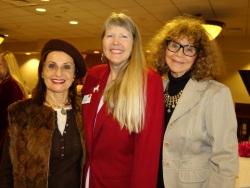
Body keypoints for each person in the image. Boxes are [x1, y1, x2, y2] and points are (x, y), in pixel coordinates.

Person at [147, 14, 239, 188]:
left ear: (199, 56)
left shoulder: (216, 94)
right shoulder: (155, 87)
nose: (179, 54)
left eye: (189, 49)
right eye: (174, 45)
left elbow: (225, 159)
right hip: (154, 180)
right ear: (164, 48)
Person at [82, 12, 164, 188]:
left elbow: (148, 152)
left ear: (134, 44)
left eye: (124, 36)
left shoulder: (148, 81)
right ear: (102, 41)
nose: (115, 42)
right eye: (110, 35)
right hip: (89, 179)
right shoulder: (94, 75)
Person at [0, 39, 87, 187]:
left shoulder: (85, 111)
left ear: (74, 74)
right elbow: (6, 170)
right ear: (42, 71)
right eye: (52, 66)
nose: (58, 73)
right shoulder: (20, 113)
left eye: (66, 67)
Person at [0, 51, 28, 165]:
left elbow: (5, 116)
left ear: (7, 66)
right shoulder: (10, 83)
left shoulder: (10, 85)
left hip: (5, 137)